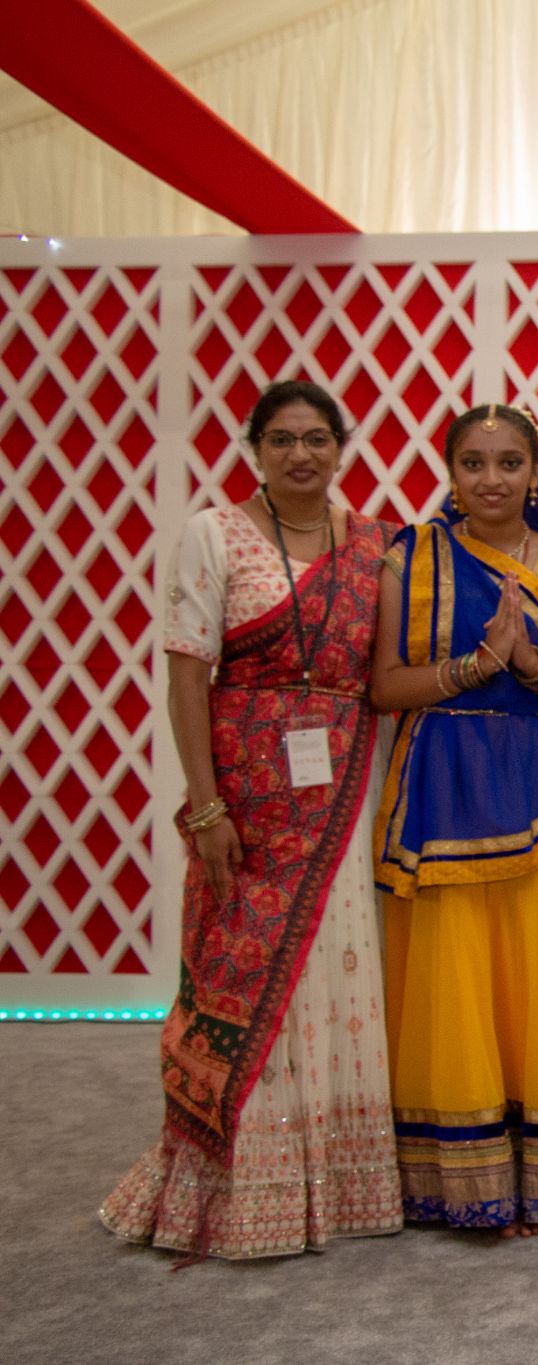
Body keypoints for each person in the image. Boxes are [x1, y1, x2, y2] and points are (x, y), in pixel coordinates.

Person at [102, 379, 403, 1259]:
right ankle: (231, 1184)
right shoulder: (213, 533)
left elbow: (383, 671)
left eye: (316, 438)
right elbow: (187, 673)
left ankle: (342, 1186)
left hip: (346, 787)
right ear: (255, 448)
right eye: (282, 439)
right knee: (236, 969)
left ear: (340, 446)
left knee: (340, 965)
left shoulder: (373, 546)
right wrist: (204, 804)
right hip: (249, 795)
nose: (301, 454)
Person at [369, 403, 538, 1235]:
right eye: (473, 462)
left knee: (526, 966)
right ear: (450, 470)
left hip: (530, 781)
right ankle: (452, 1180)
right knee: (448, 972)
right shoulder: (411, 557)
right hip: (438, 780)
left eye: (509, 462)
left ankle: (532, 1180)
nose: (491, 479)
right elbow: (385, 687)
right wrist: (472, 667)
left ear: (536, 472)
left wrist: (528, 664)